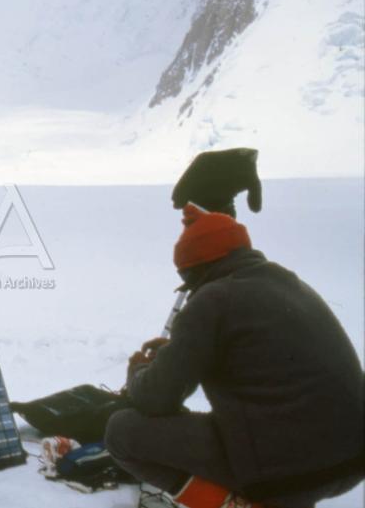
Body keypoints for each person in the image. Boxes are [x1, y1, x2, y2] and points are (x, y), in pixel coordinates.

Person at [104, 203, 364, 508]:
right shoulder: (288, 283)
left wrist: (138, 372)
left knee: (121, 431)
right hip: (352, 460)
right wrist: (177, 350)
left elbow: (156, 400)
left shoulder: (211, 298)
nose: (189, 291)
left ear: (195, 270)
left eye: (187, 281)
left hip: (289, 473)